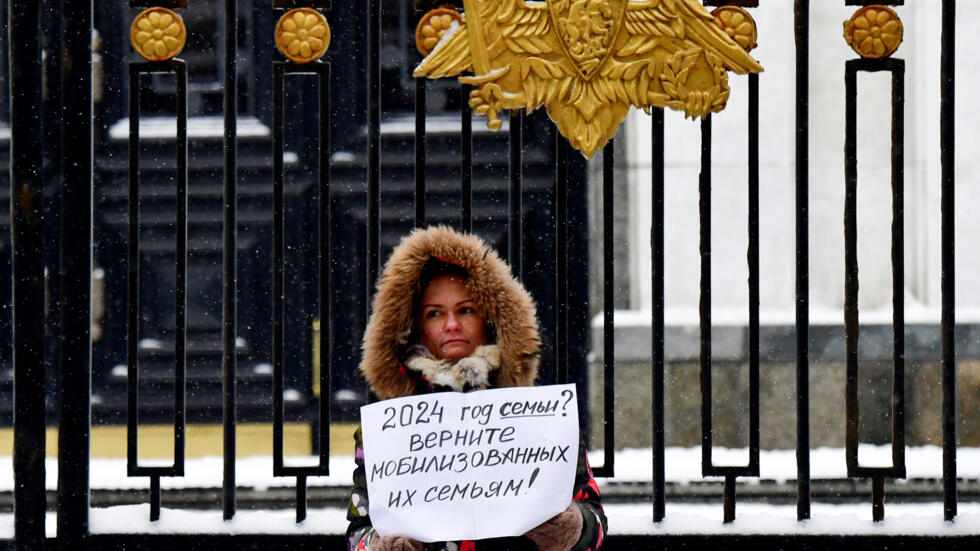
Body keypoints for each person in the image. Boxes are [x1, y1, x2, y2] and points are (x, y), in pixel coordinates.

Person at [347, 226, 606, 551]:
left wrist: (570, 528)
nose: (452, 324)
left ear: (490, 318)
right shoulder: (387, 427)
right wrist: (382, 546)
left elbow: (593, 519)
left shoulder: (541, 416)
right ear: (415, 327)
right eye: (434, 314)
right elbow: (359, 528)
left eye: (466, 310)